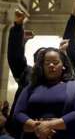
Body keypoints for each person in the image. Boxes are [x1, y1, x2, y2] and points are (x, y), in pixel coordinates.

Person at [14, 47, 75, 139]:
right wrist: (37, 127)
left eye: (56, 62)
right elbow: (18, 113)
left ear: (63, 65)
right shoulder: (31, 87)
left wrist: (49, 125)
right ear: (42, 66)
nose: (51, 65)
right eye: (47, 63)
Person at [6, 9, 46, 138]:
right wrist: (18, 27)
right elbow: (15, 56)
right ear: (34, 62)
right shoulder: (26, 72)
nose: (47, 62)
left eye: (53, 60)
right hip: (21, 132)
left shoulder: (62, 78)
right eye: (41, 57)